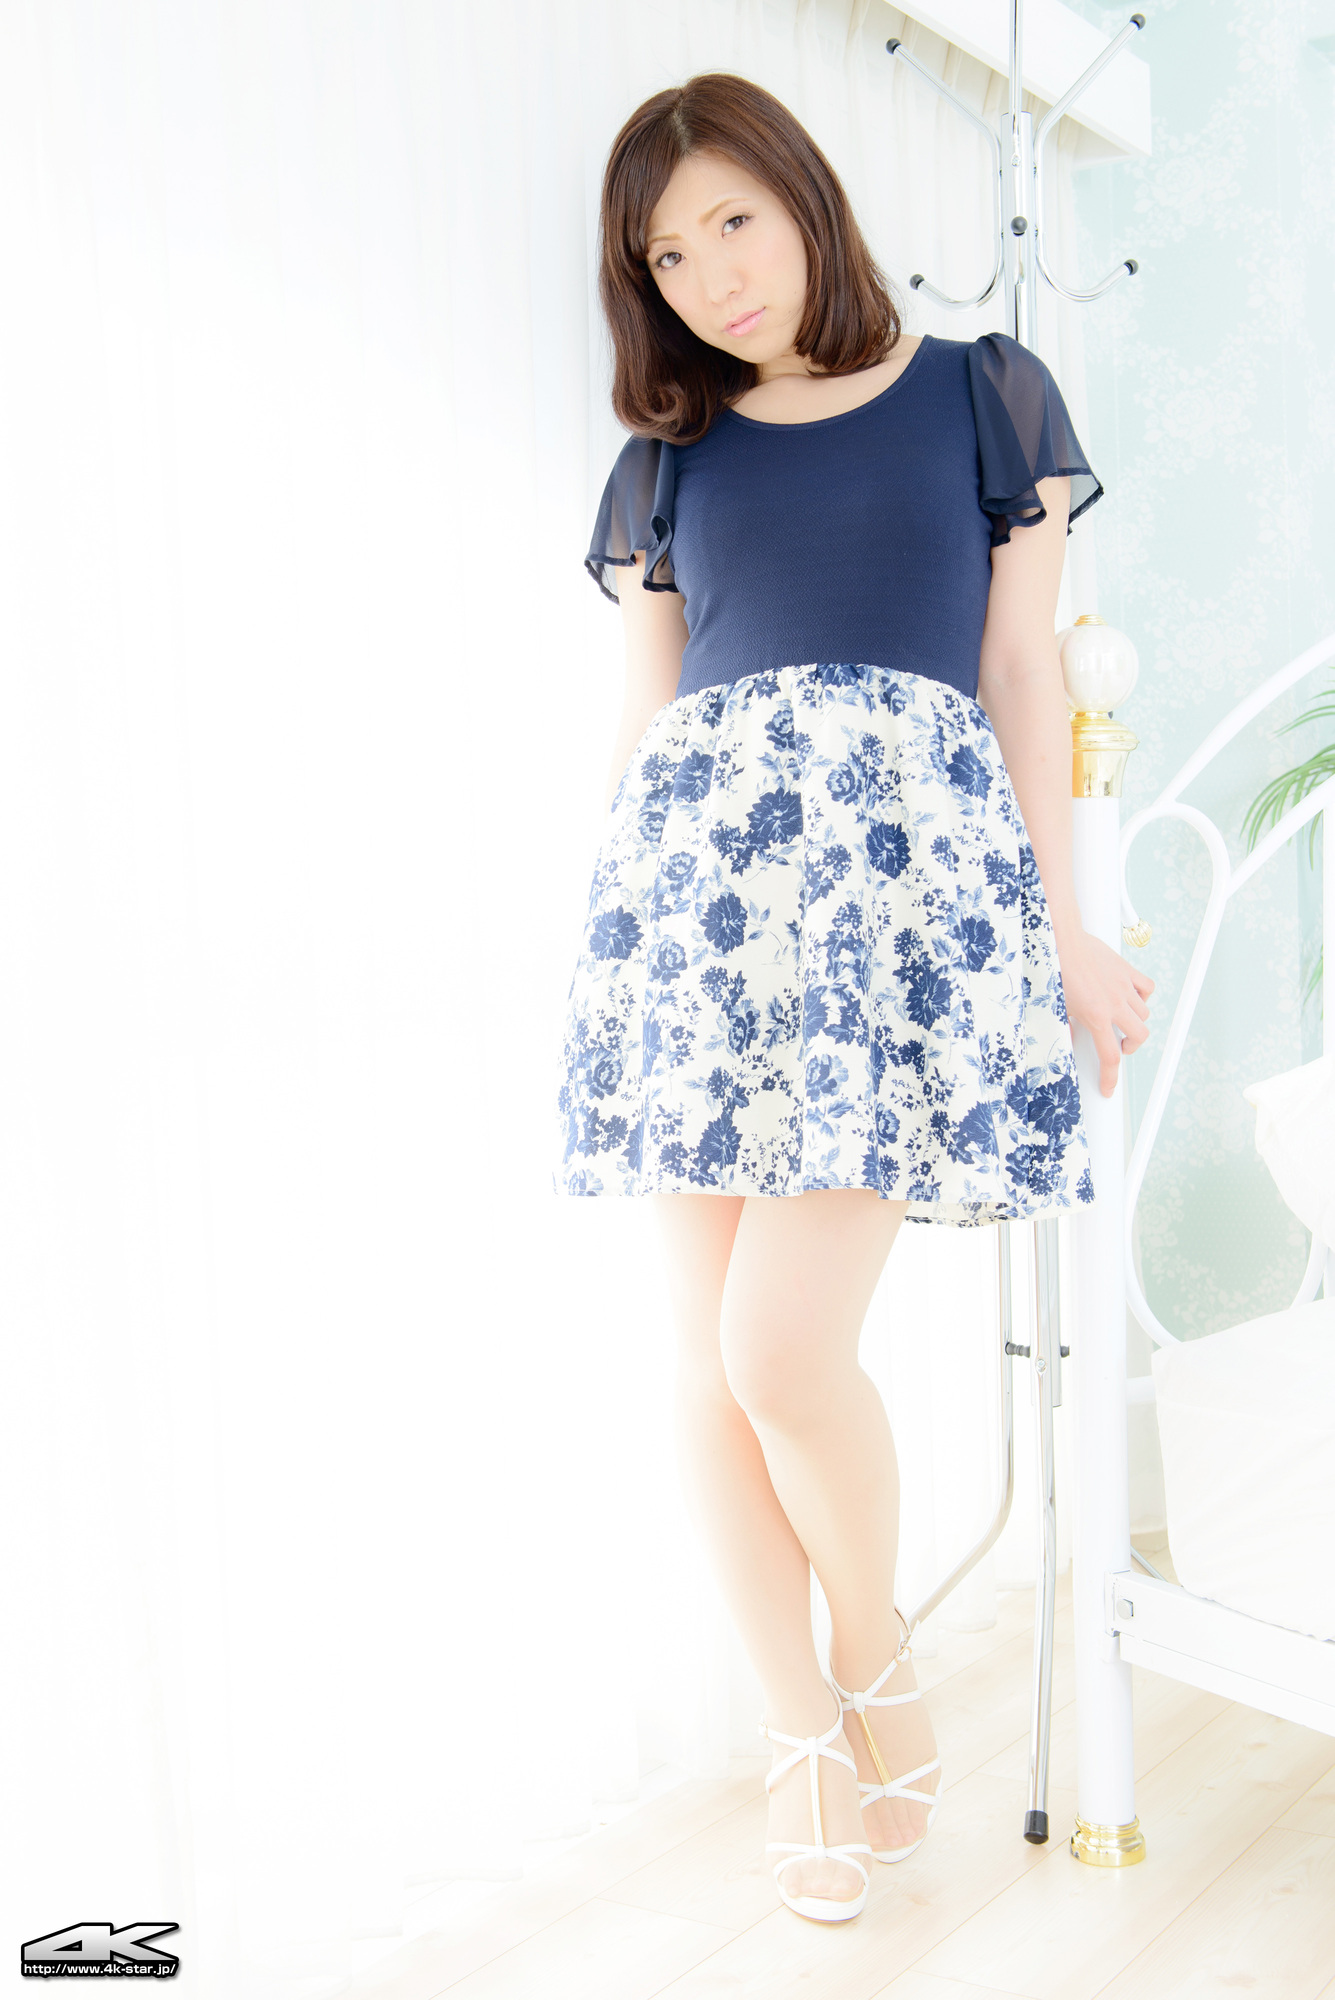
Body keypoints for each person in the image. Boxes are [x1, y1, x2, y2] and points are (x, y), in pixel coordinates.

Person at [553, 72, 1154, 1925]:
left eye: (732, 220)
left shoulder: (983, 396)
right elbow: (652, 723)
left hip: (891, 922)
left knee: (778, 1352)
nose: (713, 275)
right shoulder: (667, 466)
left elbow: (1020, 674)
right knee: (706, 1370)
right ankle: (803, 1732)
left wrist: (1062, 926)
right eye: (669, 257)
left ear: (805, 198)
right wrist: (617, 957)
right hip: (697, 924)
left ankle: (874, 1658)